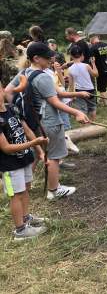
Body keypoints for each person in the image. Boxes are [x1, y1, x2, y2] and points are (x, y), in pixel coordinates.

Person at [5, 42, 89, 200]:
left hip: (35, 122)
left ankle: (23, 187)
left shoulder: (25, 72)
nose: (51, 59)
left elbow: (8, 92)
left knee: (39, 154)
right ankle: (54, 190)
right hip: (50, 123)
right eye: (47, 57)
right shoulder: (43, 77)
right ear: (36, 58)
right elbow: (55, 102)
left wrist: (21, 111)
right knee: (54, 156)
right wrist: (77, 112)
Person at [0, 79, 49, 240]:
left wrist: (39, 150)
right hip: (9, 164)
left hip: (25, 158)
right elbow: (6, 148)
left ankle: (26, 218)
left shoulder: (11, 108)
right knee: (16, 194)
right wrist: (34, 142)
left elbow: (26, 129)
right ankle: (20, 230)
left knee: (26, 188)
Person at [67, 46, 98, 121]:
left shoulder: (70, 69)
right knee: (92, 108)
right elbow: (95, 74)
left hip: (79, 91)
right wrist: (93, 63)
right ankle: (93, 125)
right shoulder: (86, 66)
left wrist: (71, 95)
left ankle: (85, 127)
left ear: (71, 56)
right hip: (90, 90)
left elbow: (71, 84)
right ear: (82, 55)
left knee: (82, 110)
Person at [89, 35, 107, 101]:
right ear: (98, 38)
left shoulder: (92, 48)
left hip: (102, 71)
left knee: (102, 89)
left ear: (91, 40)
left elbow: (92, 60)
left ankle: (106, 104)